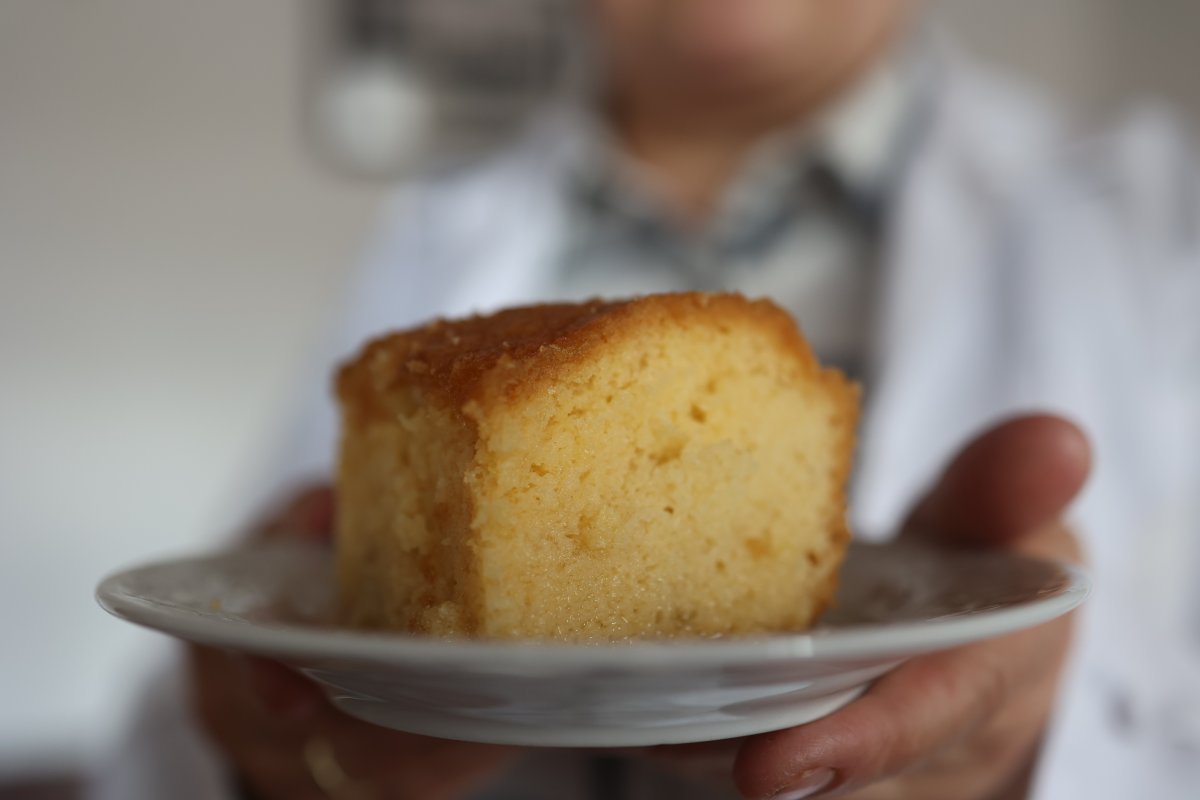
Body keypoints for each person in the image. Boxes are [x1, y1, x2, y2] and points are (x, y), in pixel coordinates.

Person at [92, 1, 1200, 798]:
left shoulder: (1152, 213)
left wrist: (1038, 758)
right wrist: (271, 758)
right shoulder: (434, 232)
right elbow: (172, 725)